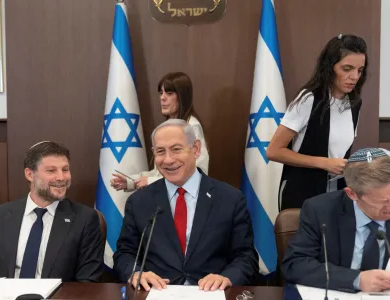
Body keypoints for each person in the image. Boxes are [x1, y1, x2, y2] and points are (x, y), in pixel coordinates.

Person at [113, 119, 259, 291]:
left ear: (195, 149)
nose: (168, 160)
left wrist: (227, 277)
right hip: (158, 293)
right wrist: (136, 273)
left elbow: (246, 256)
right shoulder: (139, 202)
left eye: (176, 149)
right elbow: (124, 254)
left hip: (210, 294)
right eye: (160, 151)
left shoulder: (230, 199)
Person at [266, 34, 368, 210]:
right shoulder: (309, 99)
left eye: (359, 70)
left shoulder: (354, 103)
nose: (354, 76)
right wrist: (323, 162)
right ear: (330, 67)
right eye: (347, 69)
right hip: (302, 193)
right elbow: (274, 151)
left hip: (337, 194)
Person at [0, 141, 104, 281]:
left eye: (65, 169)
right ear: (30, 174)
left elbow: (88, 281)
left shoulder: (85, 219)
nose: (61, 177)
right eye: (51, 170)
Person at [282, 148, 390, 293]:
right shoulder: (320, 210)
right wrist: (356, 279)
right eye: (385, 202)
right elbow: (295, 264)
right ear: (352, 194)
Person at [110, 72, 209, 191]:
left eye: (169, 93)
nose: (162, 97)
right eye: (161, 93)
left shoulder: (191, 126)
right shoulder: (167, 127)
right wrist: (131, 182)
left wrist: (150, 182)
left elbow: (198, 171)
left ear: (182, 96)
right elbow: (161, 172)